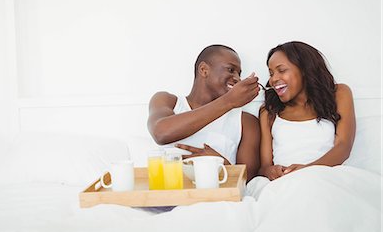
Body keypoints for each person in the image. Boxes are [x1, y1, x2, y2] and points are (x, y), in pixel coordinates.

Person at [147, 44, 261, 181]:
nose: (237, 78)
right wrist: (228, 101)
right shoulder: (167, 100)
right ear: (204, 70)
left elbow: (248, 181)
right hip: (168, 196)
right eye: (231, 70)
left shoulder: (246, 122)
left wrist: (220, 164)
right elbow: (161, 133)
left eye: (239, 73)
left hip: (217, 200)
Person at [258, 41, 356, 182]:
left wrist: (307, 170)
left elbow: (344, 146)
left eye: (282, 70)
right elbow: (264, 166)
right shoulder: (268, 111)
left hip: (326, 179)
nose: (273, 79)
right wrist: (270, 171)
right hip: (284, 183)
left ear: (304, 69)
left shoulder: (340, 93)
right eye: (271, 73)